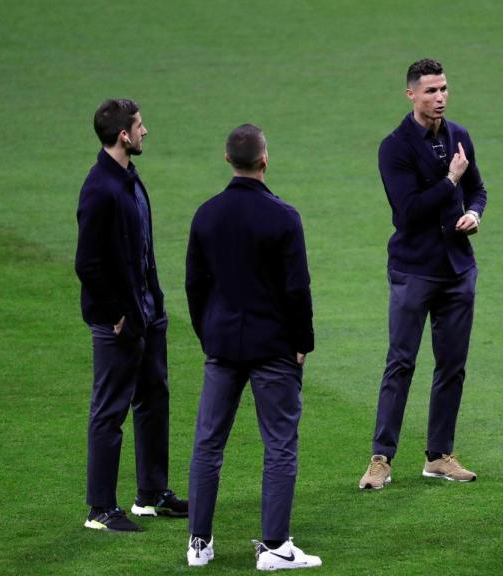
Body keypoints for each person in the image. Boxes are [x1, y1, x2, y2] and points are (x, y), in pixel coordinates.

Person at [183, 124, 322, 570]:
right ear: (265, 159)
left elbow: (194, 285)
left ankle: (198, 544)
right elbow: (297, 289)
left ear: (228, 159)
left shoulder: (206, 215)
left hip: (222, 345)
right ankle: (276, 547)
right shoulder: (284, 217)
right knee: (279, 445)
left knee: (208, 443)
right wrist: (303, 341)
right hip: (274, 347)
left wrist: (208, 333)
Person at [359, 58, 488, 490]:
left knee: (452, 366)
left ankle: (438, 456)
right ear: (411, 94)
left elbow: (478, 189)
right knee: (401, 363)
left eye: (444, 88)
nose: (440, 97)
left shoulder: (459, 135)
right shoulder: (394, 147)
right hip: (414, 270)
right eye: (431, 91)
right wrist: (450, 182)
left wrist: (474, 213)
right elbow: (408, 212)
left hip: (457, 270)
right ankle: (381, 459)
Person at [75, 98, 188, 532]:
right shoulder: (100, 188)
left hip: (147, 313)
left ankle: (151, 494)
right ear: (123, 135)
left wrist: (153, 303)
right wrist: (116, 312)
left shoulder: (128, 178)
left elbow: (140, 249)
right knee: (109, 410)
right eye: (139, 126)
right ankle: (100, 508)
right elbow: (87, 264)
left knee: (154, 400)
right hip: (119, 321)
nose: (145, 131)